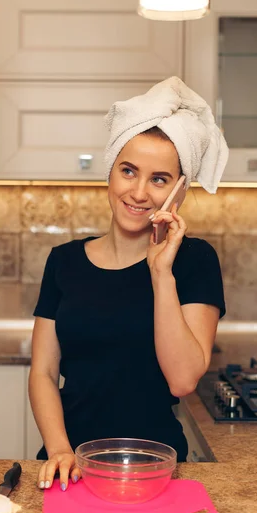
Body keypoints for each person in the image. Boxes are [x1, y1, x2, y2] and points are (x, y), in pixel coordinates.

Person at [28, 76, 228, 492]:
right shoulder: (64, 262)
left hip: (155, 469)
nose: (138, 192)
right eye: (129, 171)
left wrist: (161, 272)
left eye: (159, 179)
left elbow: (183, 380)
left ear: (179, 191)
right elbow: (44, 372)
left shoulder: (194, 261)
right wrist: (60, 449)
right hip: (70, 466)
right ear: (110, 172)